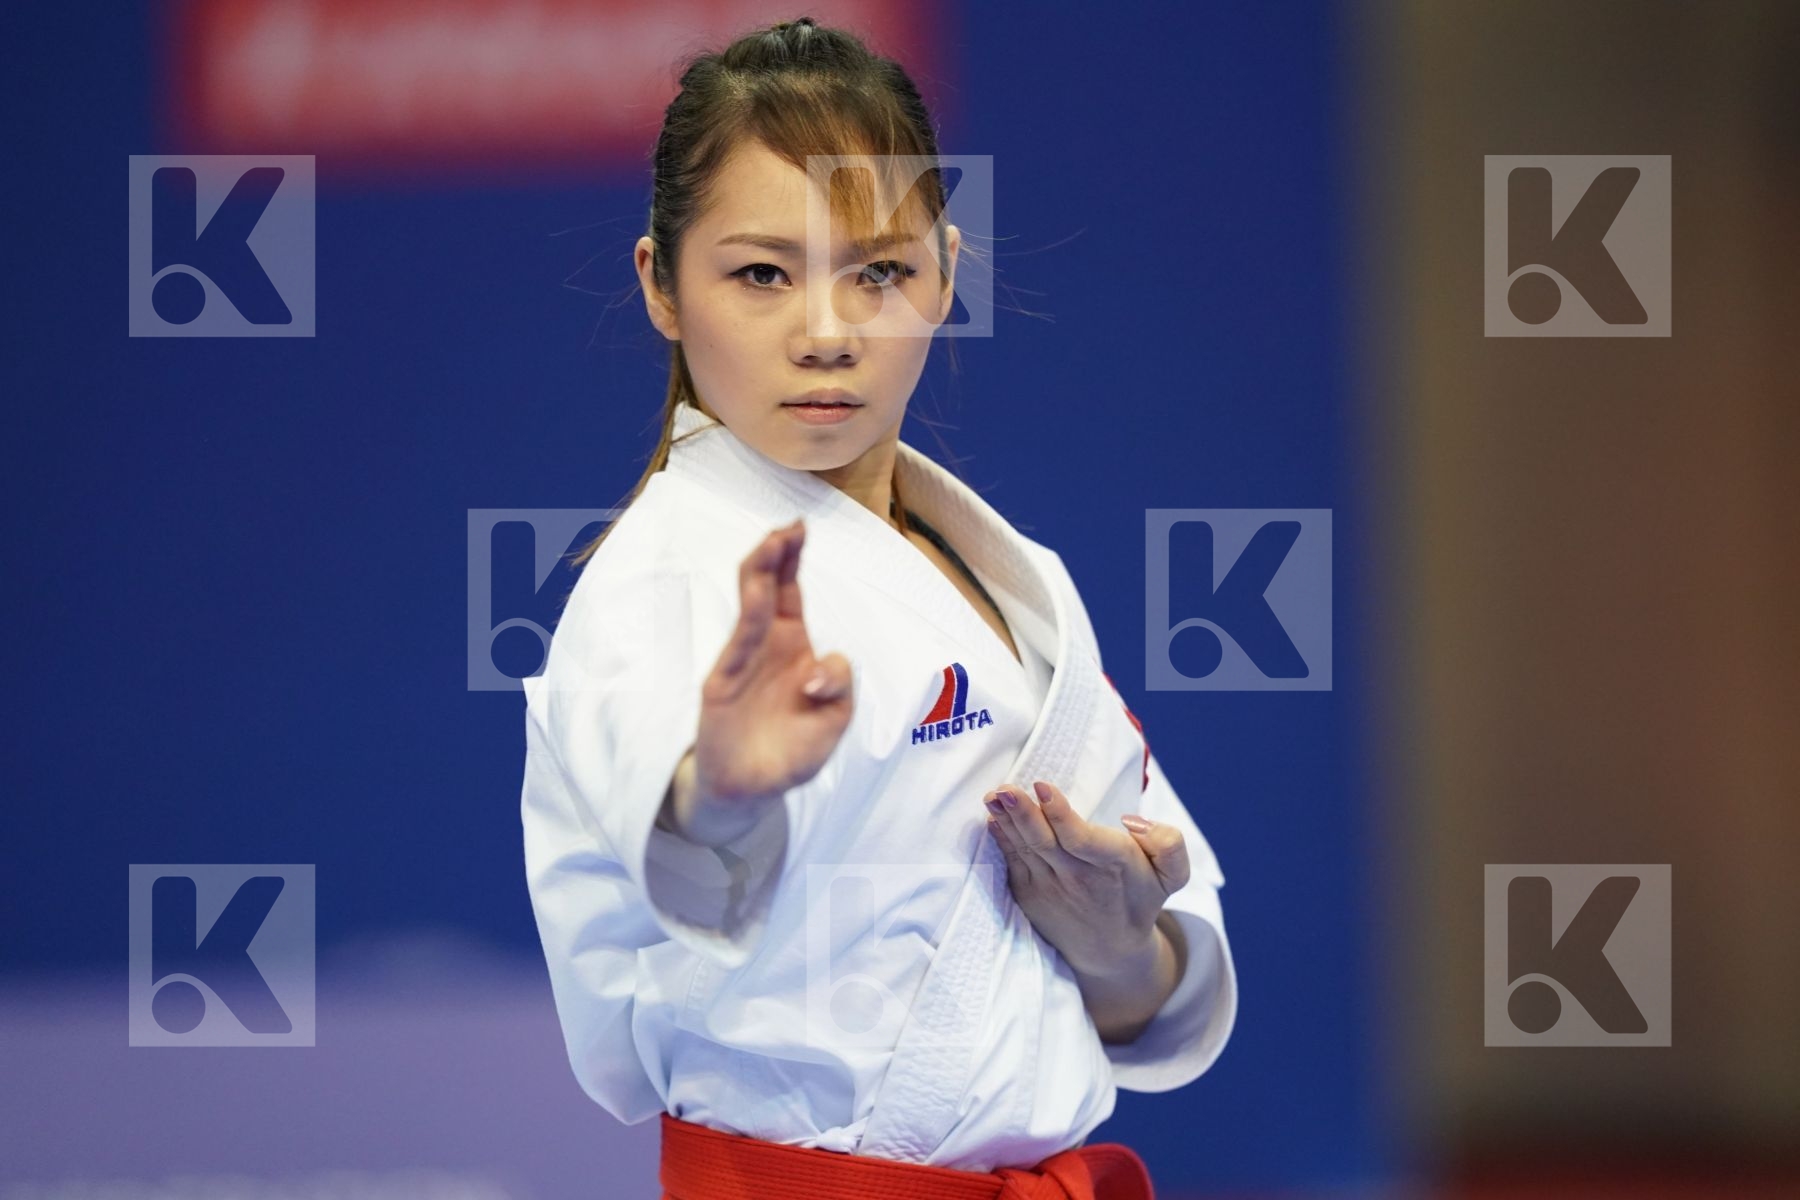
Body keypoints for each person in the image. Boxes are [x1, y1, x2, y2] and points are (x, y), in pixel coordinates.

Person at [519, 15, 1238, 1199]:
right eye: (760, 274)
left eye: (880, 272)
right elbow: (686, 864)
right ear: (661, 285)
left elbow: (1150, 989)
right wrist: (722, 793)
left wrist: (1114, 941)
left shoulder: (1016, 583)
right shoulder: (665, 577)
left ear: (947, 272)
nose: (827, 333)